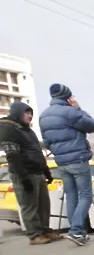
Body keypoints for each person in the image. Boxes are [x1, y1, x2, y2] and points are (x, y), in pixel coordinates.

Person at [39, 84, 94, 246]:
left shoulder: (43, 116)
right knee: (86, 196)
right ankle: (76, 231)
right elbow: (92, 126)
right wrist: (79, 109)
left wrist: (59, 153)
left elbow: (47, 142)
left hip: (61, 162)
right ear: (68, 97)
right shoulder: (71, 112)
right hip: (78, 159)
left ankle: (77, 232)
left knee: (71, 197)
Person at [0, 102, 60, 245]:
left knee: (43, 204)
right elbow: (13, 156)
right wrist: (23, 177)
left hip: (37, 172)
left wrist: (46, 171)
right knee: (29, 205)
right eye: (26, 113)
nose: (30, 116)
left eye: (31, 113)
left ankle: (45, 230)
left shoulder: (28, 131)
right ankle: (34, 235)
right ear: (18, 113)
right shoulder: (9, 129)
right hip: (24, 173)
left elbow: (37, 153)